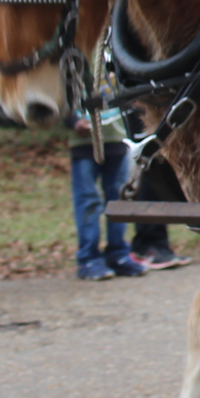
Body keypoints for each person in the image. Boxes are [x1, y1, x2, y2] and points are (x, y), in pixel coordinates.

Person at [68, 115, 150, 280]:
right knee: (88, 201)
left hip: (117, 142)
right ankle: (88, 259)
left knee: (119, 201)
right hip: (83, 144)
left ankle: (119, 254)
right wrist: (73, 121)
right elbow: (59, 103)